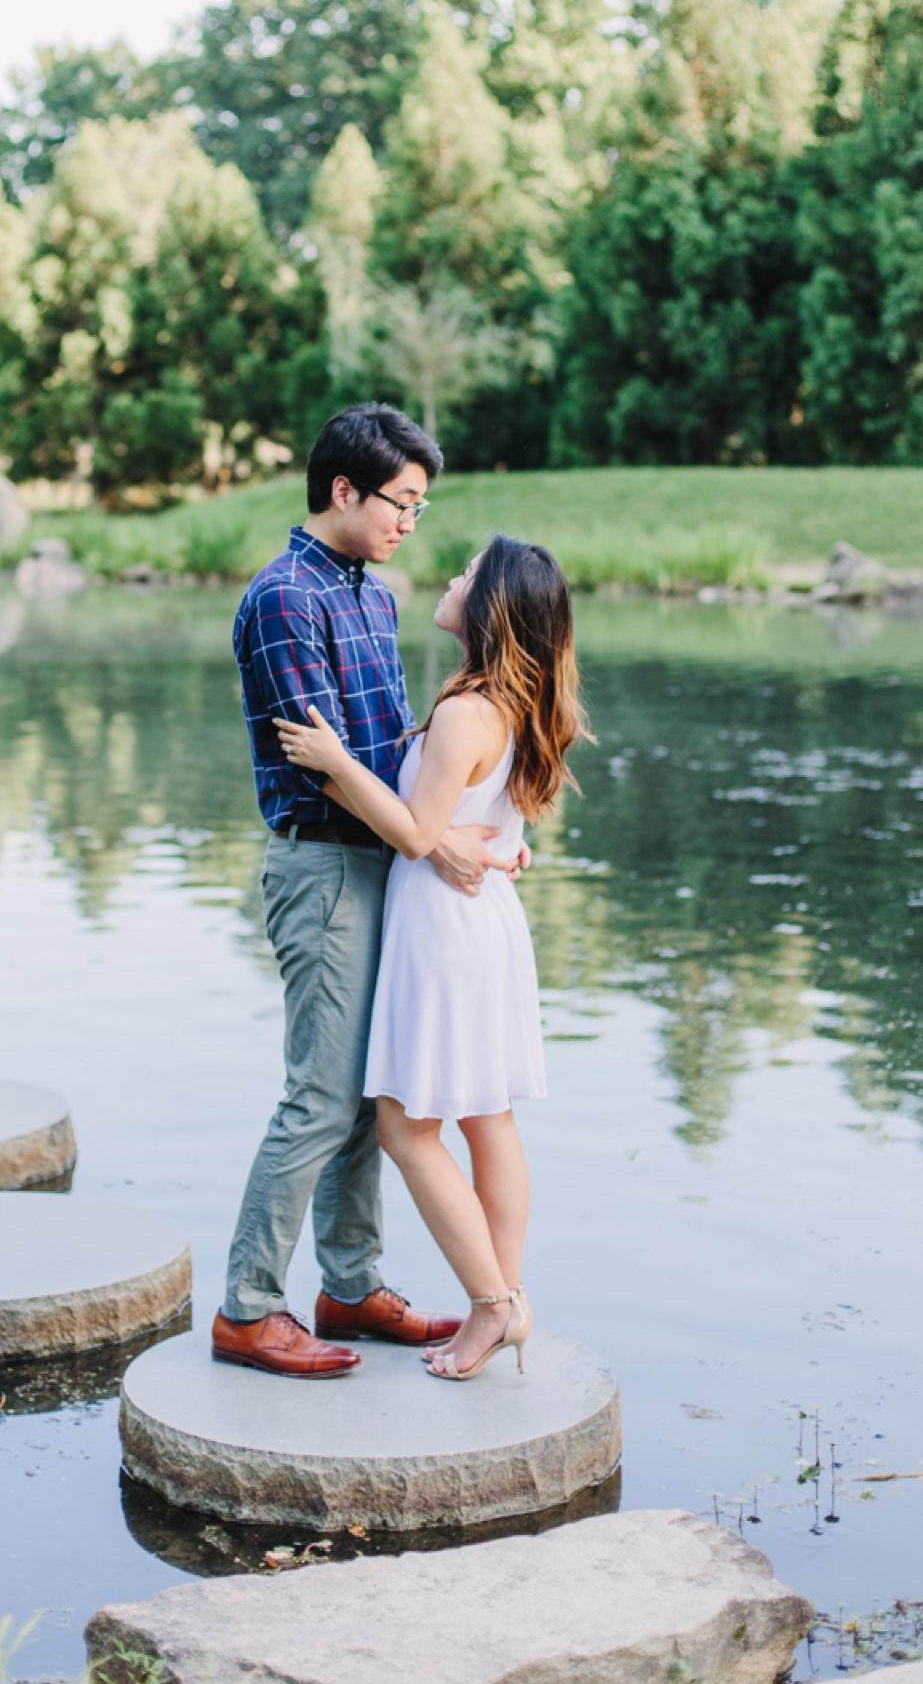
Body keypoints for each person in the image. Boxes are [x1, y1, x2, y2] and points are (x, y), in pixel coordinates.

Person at [215, 404, 529, 1380]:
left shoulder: (372, 596)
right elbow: (324, 766)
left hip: (385, 859)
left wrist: (447, 831)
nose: (408, 523)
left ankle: (348, 1289)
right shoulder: (285, 599)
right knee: (319, 1096)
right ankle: (246, 1309)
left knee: (367, 1093)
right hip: (324, 865)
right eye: (401, 502)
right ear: (343, 490)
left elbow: (391, 752)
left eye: (421, 509)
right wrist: (435, 840)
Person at [275, 535, 585, 1380]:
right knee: (489, 1117)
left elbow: (414, 834)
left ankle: (488, 1305)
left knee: (405, 1127)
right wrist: (467, 842)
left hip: (445, 934)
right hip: (485, 925)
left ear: (489, 608)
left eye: (468, 574)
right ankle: (509, 1298)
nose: (452, 579)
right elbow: (453, 827)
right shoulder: (516, 702)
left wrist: (336, 761)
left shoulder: (465, 712)